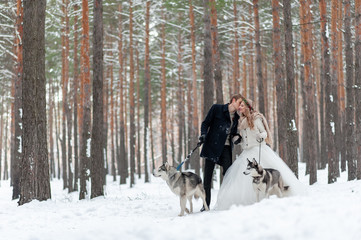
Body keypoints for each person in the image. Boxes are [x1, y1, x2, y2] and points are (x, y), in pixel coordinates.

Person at [215, 98, 306, 210]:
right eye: (240, 106)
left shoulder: (256, 118)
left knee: (266, 174)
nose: (240, 108)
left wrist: (261, 136)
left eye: (242, 106)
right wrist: (237, 139)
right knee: (244, 178)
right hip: (247, 152)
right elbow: (243, 138)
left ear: (248, 107)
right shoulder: (240, 121)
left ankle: (280, 192)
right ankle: (249, 201)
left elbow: (264, 132)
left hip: (259, 149)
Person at [198, 94, 244, 211]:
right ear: (233, 100)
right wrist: (203, 135)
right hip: (212, 146)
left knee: (229, 175)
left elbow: (233, 134)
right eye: (239, 103)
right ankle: (206, 205)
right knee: (207, 178)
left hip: (226, 149)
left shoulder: (237, 118)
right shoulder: (217, 109)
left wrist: (237, 138)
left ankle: (226, 203)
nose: (240, 106)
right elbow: (205, 123)